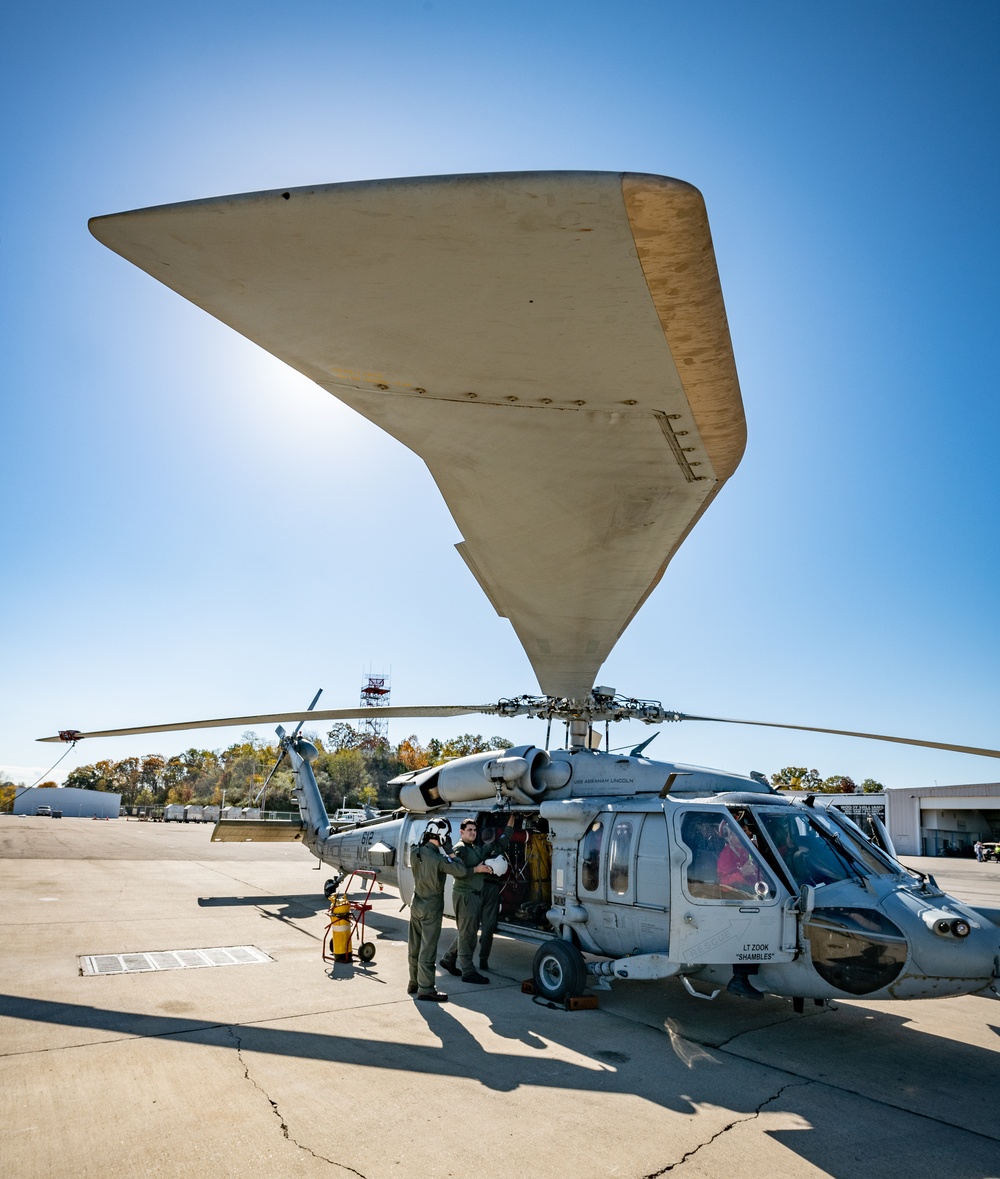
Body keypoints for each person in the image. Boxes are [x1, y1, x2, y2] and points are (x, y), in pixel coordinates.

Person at [408, 818, 468, 1002]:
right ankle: (426, 989)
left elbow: (417, 848)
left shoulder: (414, 852)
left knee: (414, 945)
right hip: (431, 907)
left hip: (416, 901)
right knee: (428, 948)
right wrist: (450, 851)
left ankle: (414, 982)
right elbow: (462, 870)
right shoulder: (440, 859)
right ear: (443, 837)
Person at [439, 818, 494, 983]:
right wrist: (476, 870)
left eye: (474, 830)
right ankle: (468, 971)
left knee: (466, 932)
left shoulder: (473, 847)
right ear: (461, 832)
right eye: (469, 830)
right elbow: (457, 871)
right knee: (468, 935)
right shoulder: (460, 848)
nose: (473, 832)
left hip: (473, 895)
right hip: (466, 896)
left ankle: (449, 959)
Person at [477, 813, 516, 972]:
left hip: (478, 889)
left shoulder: (476, 852)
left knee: (470, 927)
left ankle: (454, 956)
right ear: (494, 837)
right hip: (492, 890)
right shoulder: (499, 847)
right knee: (488, 926)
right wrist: (512, 815)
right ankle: (483, 960)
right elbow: (508, 831)